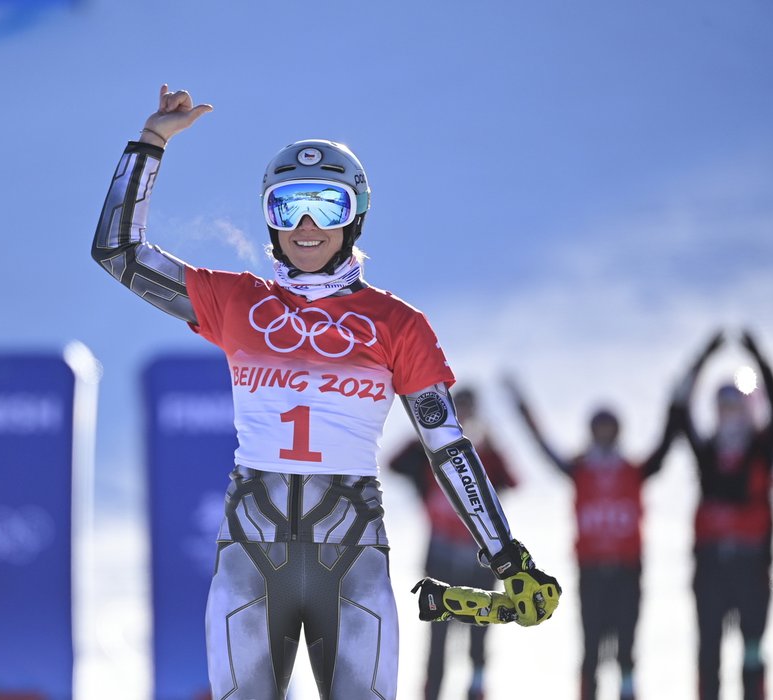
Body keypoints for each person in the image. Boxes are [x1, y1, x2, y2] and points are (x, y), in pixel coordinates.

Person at [90, 85, 561, 699]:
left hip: (352, 558)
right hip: (248, 559)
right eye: (288, 208)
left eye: (325, 206)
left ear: (355, 214)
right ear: (269, 217)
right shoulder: (237, 302)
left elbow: (447, 447)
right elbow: (119, 253)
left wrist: (506, 559)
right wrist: (151, 142)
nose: (307, 227)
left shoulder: (398, 324)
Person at [506, 378, 677, 700]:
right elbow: (544, 447)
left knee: (626, 651)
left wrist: (678, 402)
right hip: (592, 573)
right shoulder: (579, 470)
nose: (604, 435)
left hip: (628, 572)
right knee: (591, 651)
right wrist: (522, 409)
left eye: (609, 429)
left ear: (618, 432)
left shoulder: (634, 471)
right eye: (599, 429)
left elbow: (667, 443)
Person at [673, 330, 773, 700]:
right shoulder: (707, 456)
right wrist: (702, 357)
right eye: (723, 407)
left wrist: (760, 357)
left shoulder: (762, 450)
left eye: (736, 406)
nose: (729, 415)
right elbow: (680, 409)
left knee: (753, 648)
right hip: (711, 568)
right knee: (709, 651)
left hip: (752, 568)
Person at [389, 386, 518, 700]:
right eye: (457, 409)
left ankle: (477, 692)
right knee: (438, 641)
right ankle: (431, 694)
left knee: (478, 642)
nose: (464, 415)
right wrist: (426, 433)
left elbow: (512, 481)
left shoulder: (483, 454)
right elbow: (394, 463)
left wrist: (490, 444)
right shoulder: (429, 454)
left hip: (479, 562)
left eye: (468, 408)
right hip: (441, 560)